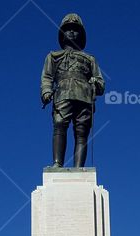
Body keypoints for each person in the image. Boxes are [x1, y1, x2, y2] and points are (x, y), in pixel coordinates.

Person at [41, 13, 105, 168]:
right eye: (67, 29)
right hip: (62, 94)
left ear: (81, 35)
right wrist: (46, 91)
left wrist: (96, 83)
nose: (71, 32)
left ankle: (79, 168)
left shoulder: (90, 59)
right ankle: (57, 163)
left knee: (81, 132)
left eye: (75, 30)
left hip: (84, 96)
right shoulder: (53, 56)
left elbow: (101, 84)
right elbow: (47, 76)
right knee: (59, 125)